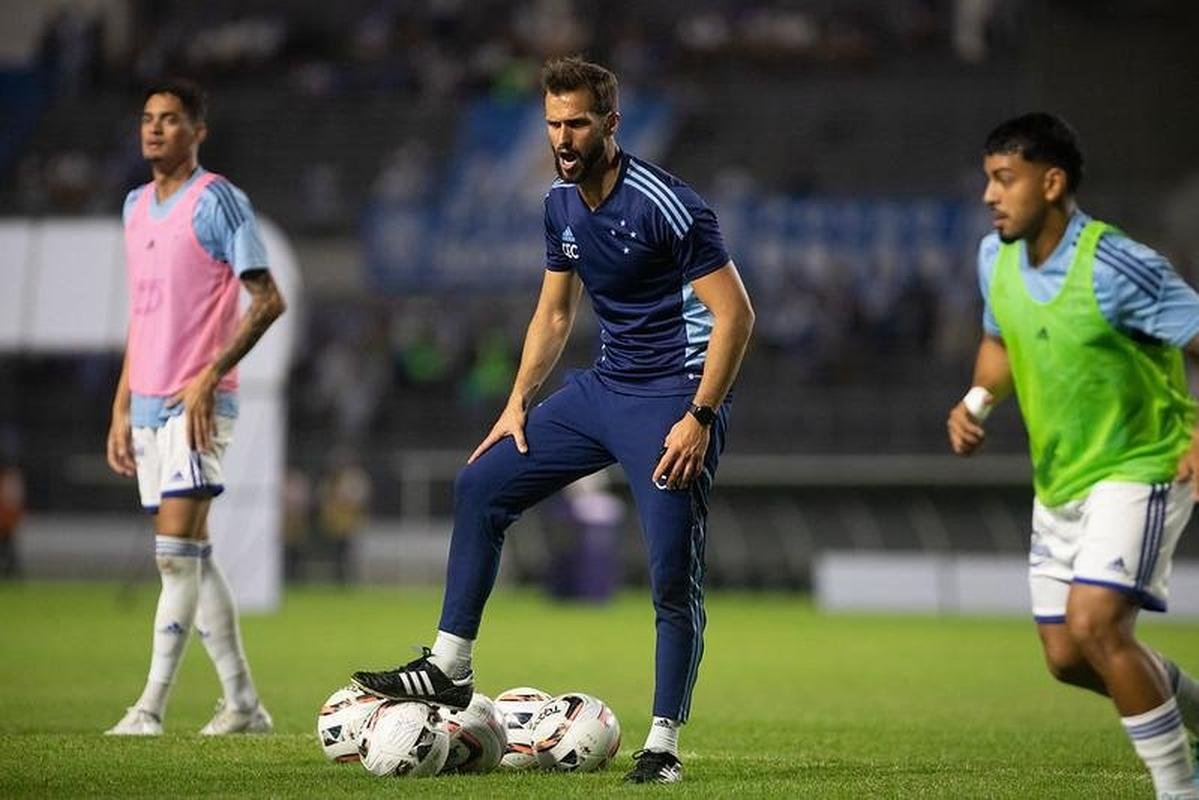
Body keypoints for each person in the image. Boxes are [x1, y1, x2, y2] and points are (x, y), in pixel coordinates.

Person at [352, 56, 754, 784]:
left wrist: (700, 415)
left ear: (610, 122)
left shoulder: (668, 203)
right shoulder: (560, 206)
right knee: (480, 484)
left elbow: (736, 316)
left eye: (576, 123)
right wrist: (516, 404)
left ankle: (661, 744)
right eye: (552, 125)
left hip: (669, 401)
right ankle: (449, 666)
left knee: (670, 576)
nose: (562, 139)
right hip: (600, 389)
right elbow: (555, 311)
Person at [947, 112, 1199, 799]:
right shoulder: (992, 257)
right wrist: (975, 400)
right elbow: (1001, 339)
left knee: (1095, 625)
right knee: (1067, 657)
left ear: (1051, 182)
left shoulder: (1119, 265)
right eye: (987, 180)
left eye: (1004, 180)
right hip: (1059, 479)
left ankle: (1180, 788)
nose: (988, 196)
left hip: (1140, 465)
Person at [105, 79, 286, 736]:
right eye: (147, 118)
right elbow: (143, 314)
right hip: (148, 403)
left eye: (171, 119)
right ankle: (243, 705)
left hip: (197, 405)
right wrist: (122, 405)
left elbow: (268, 300)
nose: (154, 129)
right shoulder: (133, 207)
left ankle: (148, 707)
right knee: (193, 555)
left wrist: (211, 375)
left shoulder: (218, 203)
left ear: (197, 131)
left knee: (174, 556)